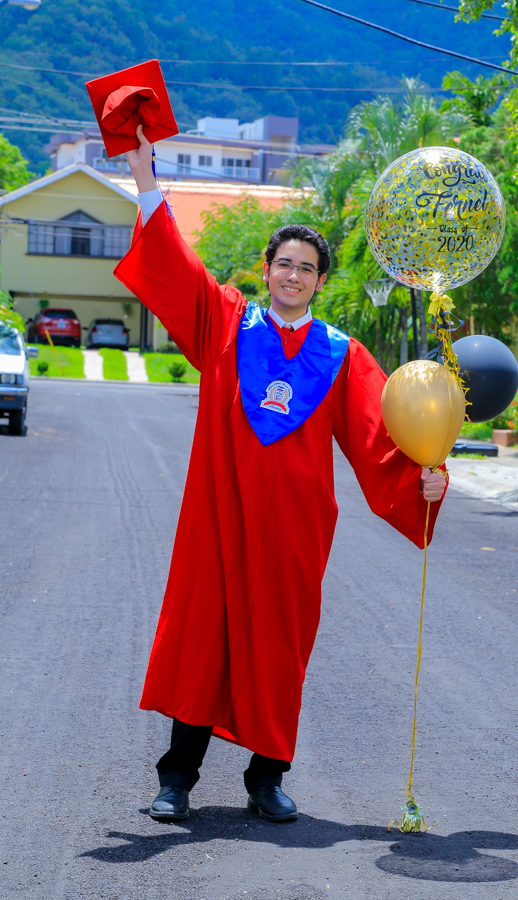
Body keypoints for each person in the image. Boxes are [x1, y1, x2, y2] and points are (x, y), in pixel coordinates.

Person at [116, 124, 448, 824]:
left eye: (306, 268)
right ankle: (177, 778)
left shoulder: (343, 354)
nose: (293, 276)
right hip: (220, 514)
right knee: (202, 636)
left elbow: (381, 434)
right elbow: (176, 268)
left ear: (320, 281)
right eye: (284, 264)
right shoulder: (226, 325)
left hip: (295, 529)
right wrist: (146, 178)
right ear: (266, 269)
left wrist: (425, 473)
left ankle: (266, 779)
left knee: (279, 646)